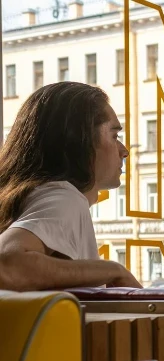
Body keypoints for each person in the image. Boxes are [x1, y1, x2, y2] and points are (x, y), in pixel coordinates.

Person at [0, 82, 141, 291]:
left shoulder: (28, 195)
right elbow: (8, 265)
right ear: (79, 140)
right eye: (114, 136)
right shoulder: (63, 198)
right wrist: (113, 271)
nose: (124, 151)